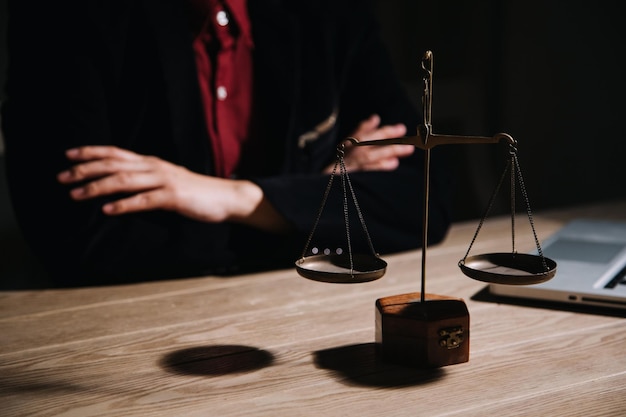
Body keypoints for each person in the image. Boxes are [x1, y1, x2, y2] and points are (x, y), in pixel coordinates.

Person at [2, 0, 452, 287]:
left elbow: (425, 200)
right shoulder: (64, 16)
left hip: (295, 308)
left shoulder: (331, 15)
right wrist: (305, 202)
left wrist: (235, 198)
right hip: (120, 327)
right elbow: (72, 239)